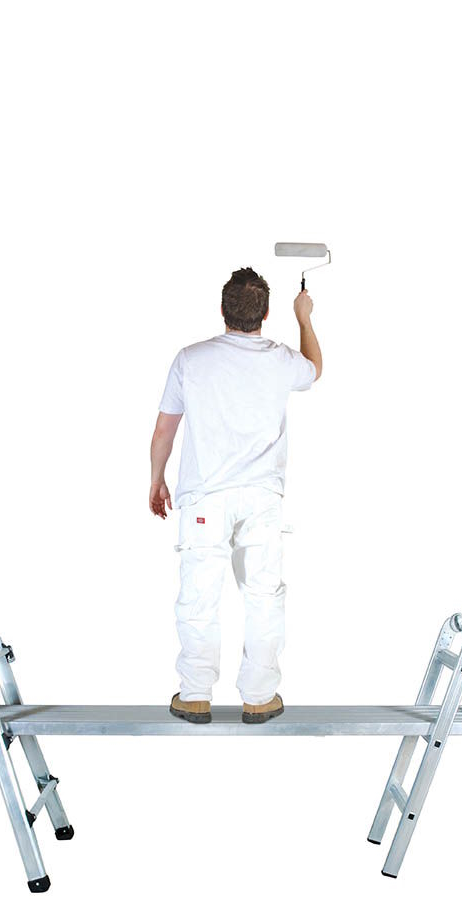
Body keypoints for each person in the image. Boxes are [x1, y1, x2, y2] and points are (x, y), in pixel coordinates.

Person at [149, 266, 322, 724]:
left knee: (199, 595)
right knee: (264, 594)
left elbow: (165, 429)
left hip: (205, 497)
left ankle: (195, 695)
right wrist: (304, 318)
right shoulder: (281, 359)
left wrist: (157, 479)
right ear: (264, 315)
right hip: (262, 498)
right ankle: (259, 697)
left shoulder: (191, 359)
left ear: (222, 310)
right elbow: (315, 370)